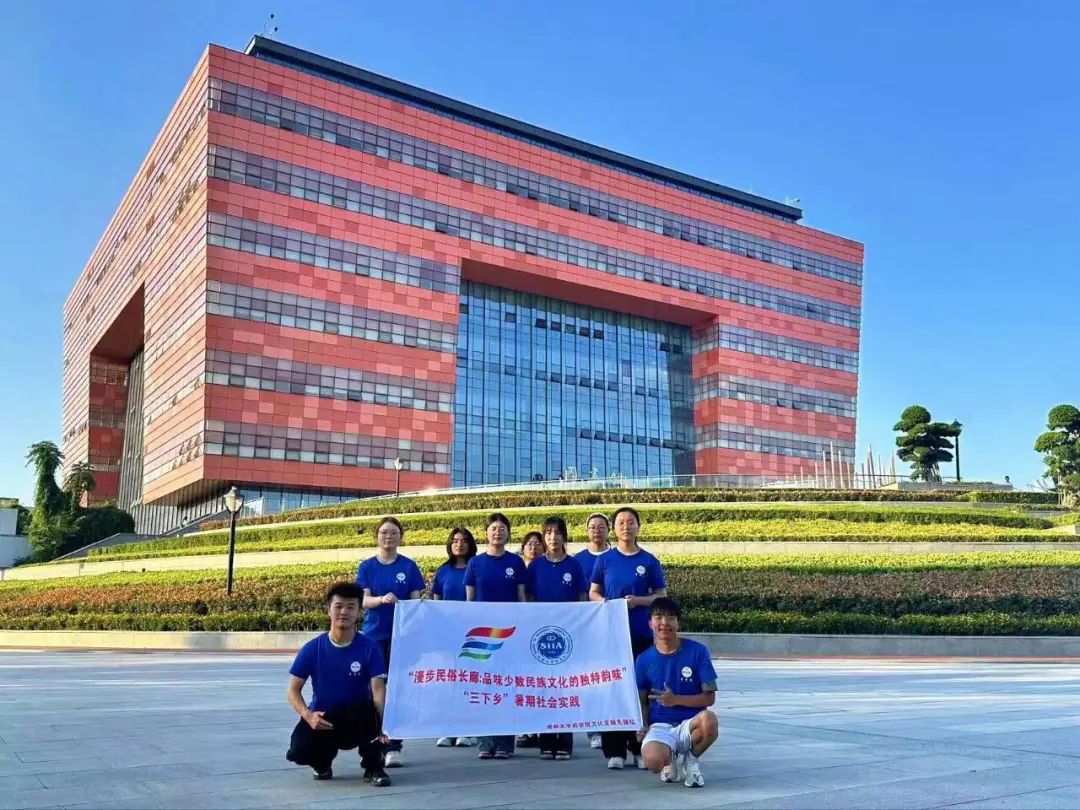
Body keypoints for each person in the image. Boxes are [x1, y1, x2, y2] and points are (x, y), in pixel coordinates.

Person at [285, 582, 392, 786]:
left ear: (359, 612)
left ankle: (373, 767)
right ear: (328, 609)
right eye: (338, 606)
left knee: (371, 714)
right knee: (298, 751)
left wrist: (382, 725)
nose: (344, 612)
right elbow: (293, 691)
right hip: (324, 718)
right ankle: (322, 763)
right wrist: (309, 716)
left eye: (351, 607)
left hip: (357, 717)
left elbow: (378, 690)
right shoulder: (312, 649)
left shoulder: (369, 648)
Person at [589, 506, 667, 770]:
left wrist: (638, 601)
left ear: (638, 527)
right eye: (621, 522)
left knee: (640, 691)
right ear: (614, 528)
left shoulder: (649, 561)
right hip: (612, 635)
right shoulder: (605, 560)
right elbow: (593, 592)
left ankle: (639, 747)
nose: (626, 526)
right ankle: (615, 750)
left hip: (641, 634)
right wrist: (607, 604)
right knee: (613, 689)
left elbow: (661, 596)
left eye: (630, 521)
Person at [355, 516, 424, 768]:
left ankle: (395, 745)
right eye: (384, 532)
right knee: (376, 691)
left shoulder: (409, 566)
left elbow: (415, 602)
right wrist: (381, 600)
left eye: (394, 533)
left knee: (399, 691)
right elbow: (364, 601)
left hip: (402, 639)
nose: (388, 537)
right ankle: (376, 742)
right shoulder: (367, 567)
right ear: (377, 536)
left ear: (400, 537)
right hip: (373, 637)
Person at [636, 597, 719, 788]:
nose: (664, 623)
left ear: (678, 622)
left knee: (710, 720)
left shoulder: (698, 652)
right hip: (660, 726)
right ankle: (670, 759)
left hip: (690, 725)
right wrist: (643, 724)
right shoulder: (643, 659)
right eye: (658, 617)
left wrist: (675, 700)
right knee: (652, 762)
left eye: (671, 618)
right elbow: (641, 699)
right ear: (650, 623)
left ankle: (691, 759)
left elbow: (709, 697)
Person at [465, 512, 527, 760]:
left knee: (506, 687)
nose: (498, 533)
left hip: (509, 634)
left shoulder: (516, 563)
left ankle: (504, 743)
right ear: (486, 533)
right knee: (483, 687)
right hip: (481, 636)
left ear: (508, 533)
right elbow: (469, 601)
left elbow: (522, 599)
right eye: (493, 529)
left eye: (502, 529)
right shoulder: (475, 563)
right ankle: (485, 742)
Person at [527, 515, 588, 760]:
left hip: (567, 637)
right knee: (543, 689)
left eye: (558, 532)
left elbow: (582, 600)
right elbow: (528, 599)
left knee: (565, 688)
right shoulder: (535, 566)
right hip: (540, 637)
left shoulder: (574, 566)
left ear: (564, 536)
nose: (553, 537)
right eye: (549, 533)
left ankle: (564, 741)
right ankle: (545, 741)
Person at [432, 527, 479, 749]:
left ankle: (467, 728)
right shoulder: (443, 571)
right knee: (449, 680)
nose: (459, 544)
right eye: (455, 541)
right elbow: (436, 602)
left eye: (464, 540)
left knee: (470, 680)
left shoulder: (476, 566)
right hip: (448, 633)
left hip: (473, 633)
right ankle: (447, 727)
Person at [575, 511, 611, 750]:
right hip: (586, 628)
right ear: (587, 531)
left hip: (613, 626)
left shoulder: (615, 556)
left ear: (608, 530)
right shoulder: (577, 560)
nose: (597, 531)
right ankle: (594, 729)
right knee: (590, 677)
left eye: (601, 527)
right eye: (592, 527)